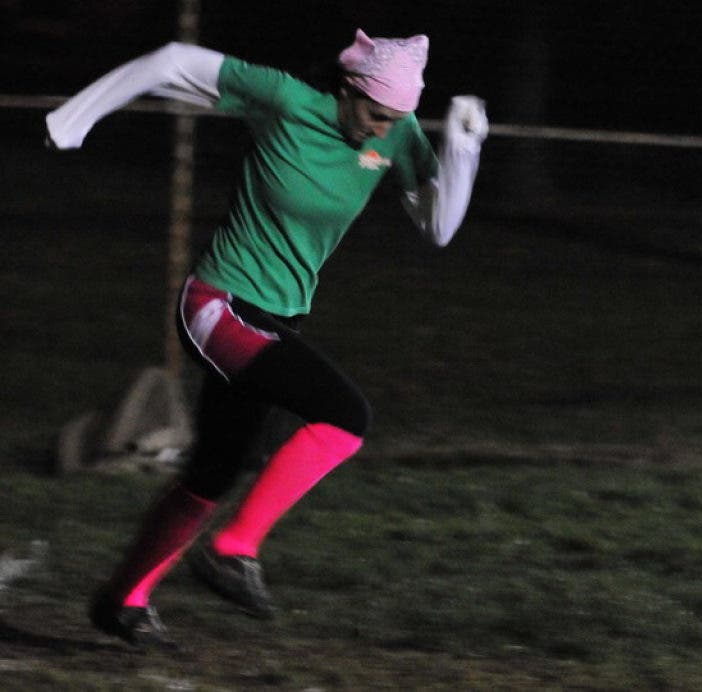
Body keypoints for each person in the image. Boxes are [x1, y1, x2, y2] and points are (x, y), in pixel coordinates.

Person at [45, 29, 488, 649]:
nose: (383, 130)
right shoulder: (286, 100)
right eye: (375, 114)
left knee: (212, 473)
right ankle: (234, 548)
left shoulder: (397, 134)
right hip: (218, 303)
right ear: (347, 89)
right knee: (344, 414)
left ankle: (122, 600)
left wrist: (464, 148)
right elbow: (173, 60)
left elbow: (438, 228)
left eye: (396, 120)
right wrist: (74, 119)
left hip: (276, 319)